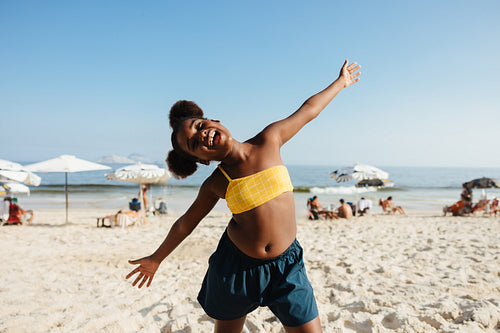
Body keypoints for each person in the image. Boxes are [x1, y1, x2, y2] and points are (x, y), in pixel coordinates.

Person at [126, 59, 361, 332]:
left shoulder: (269, 140)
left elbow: (309, 110)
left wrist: (341, 82)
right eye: (193, 143)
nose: (202, 135)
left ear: (214, 121)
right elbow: (185, 224)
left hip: (288, 266)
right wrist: (156, 259)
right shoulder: (216, 182)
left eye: (200, 126)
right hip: (236, 269)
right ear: (200, 160)